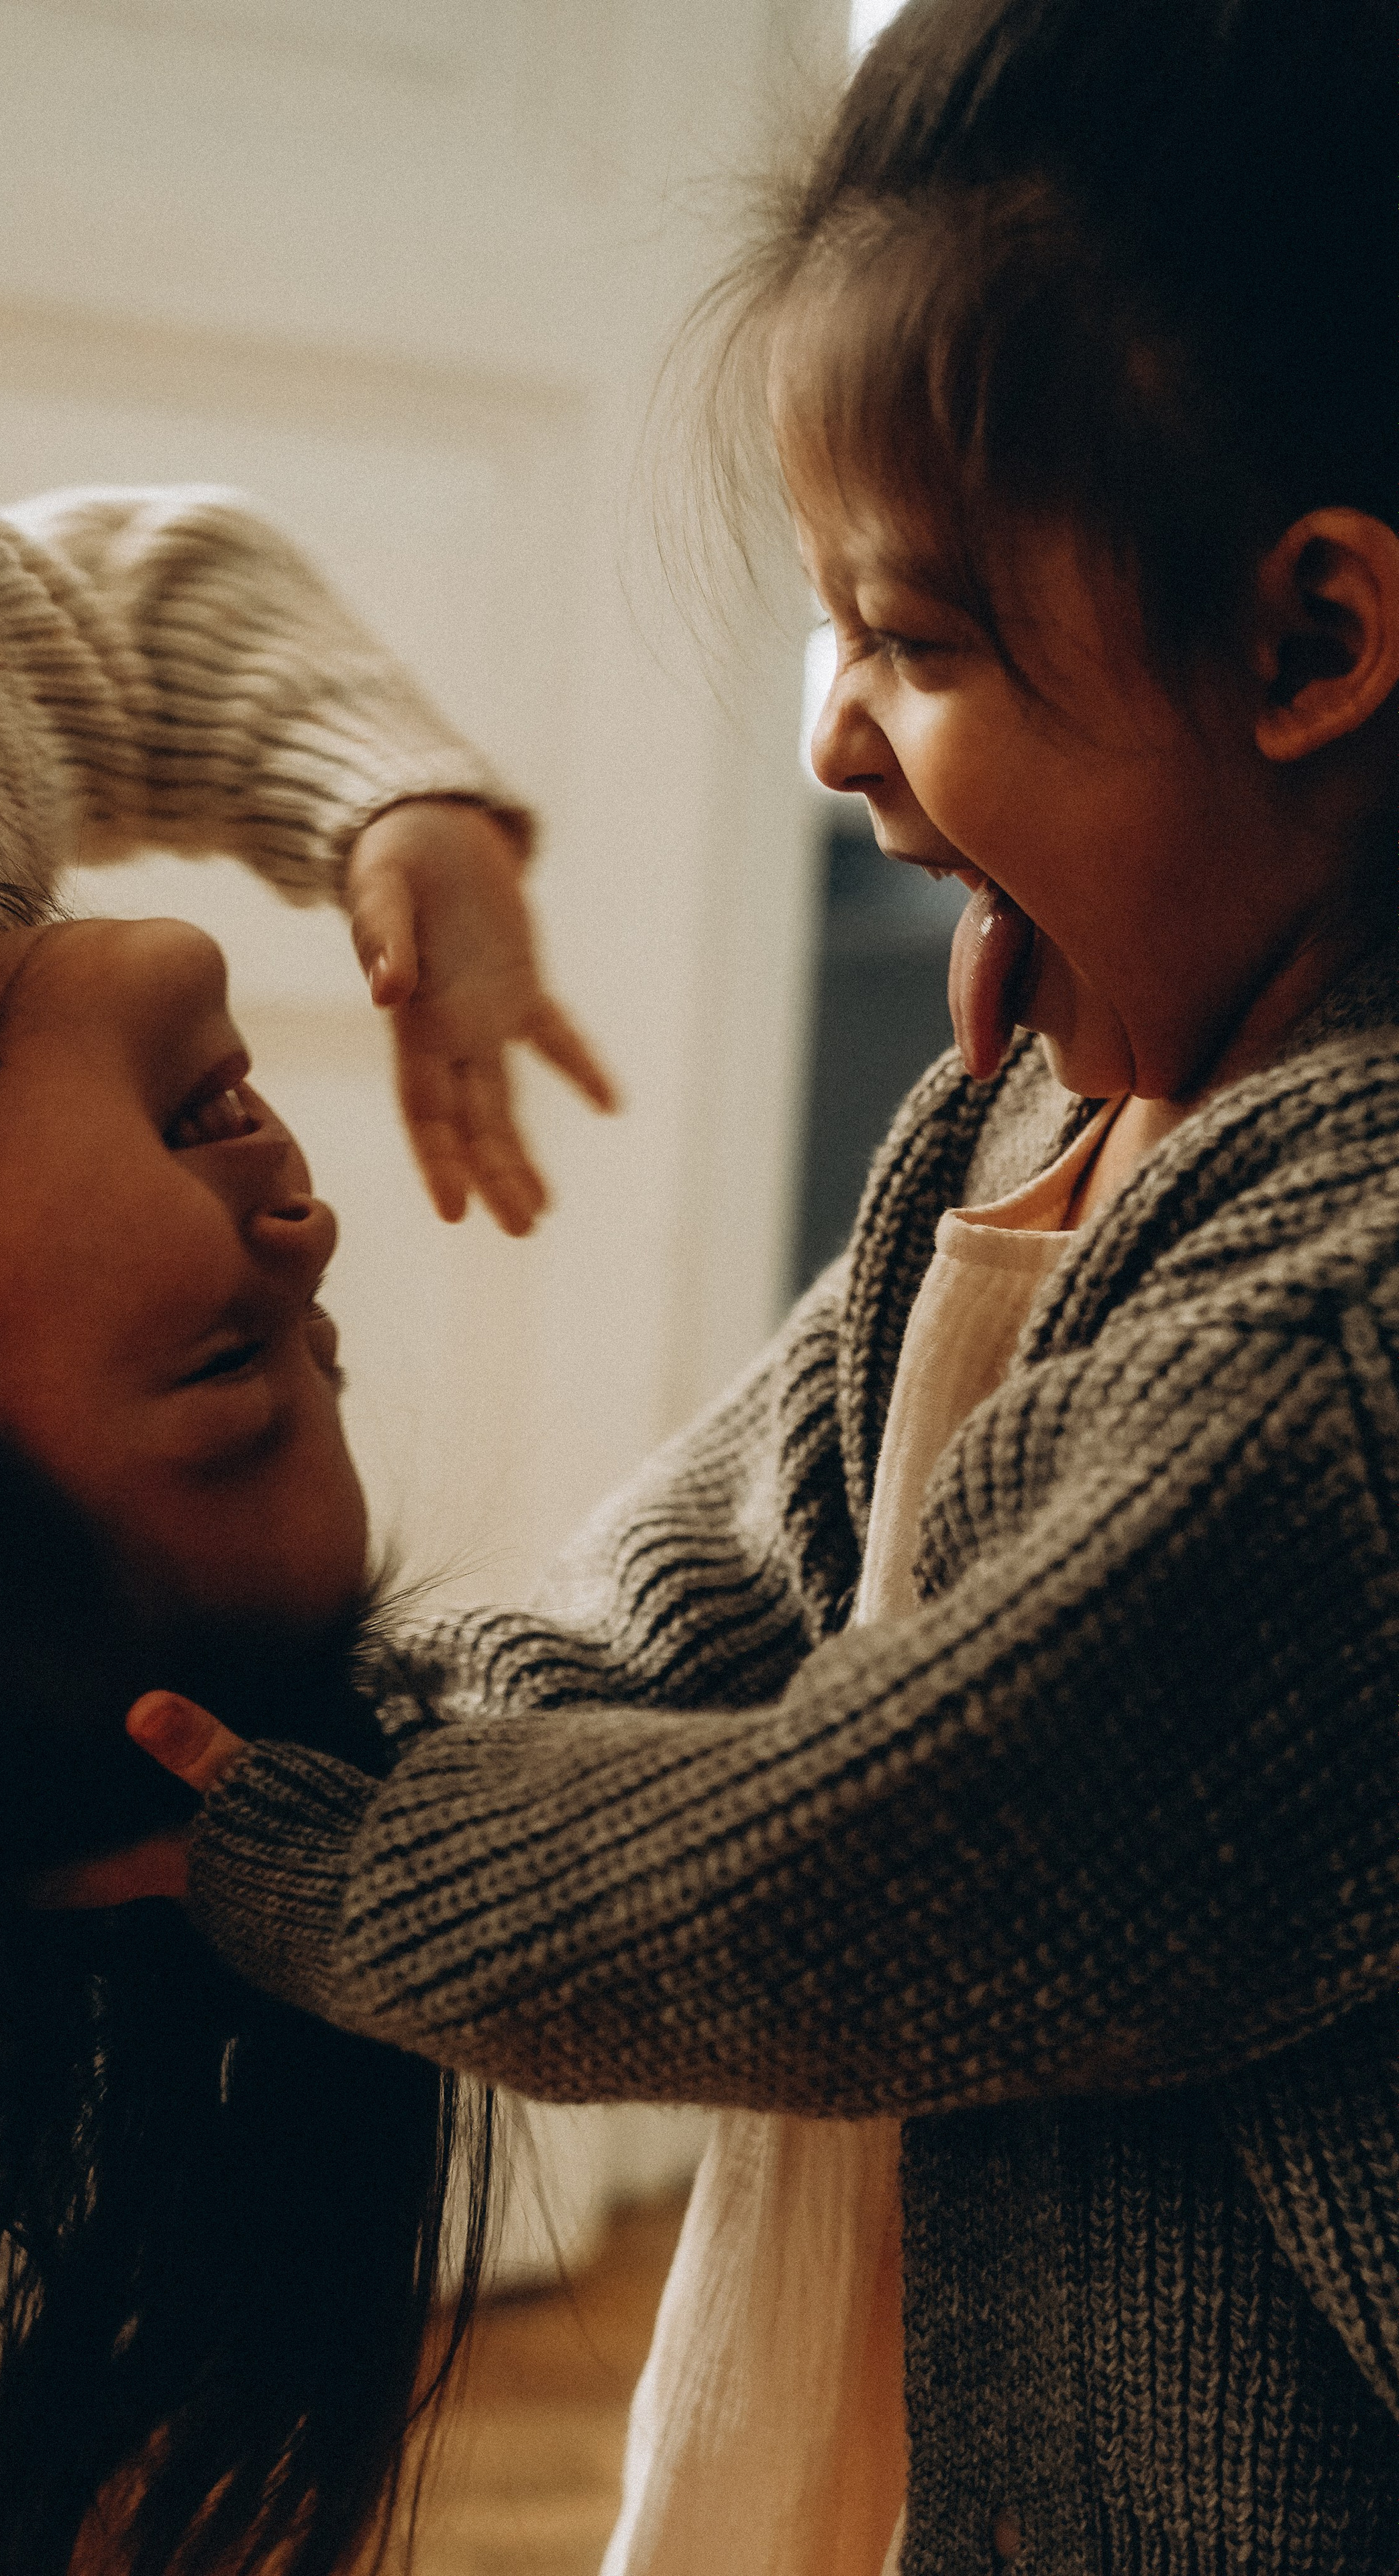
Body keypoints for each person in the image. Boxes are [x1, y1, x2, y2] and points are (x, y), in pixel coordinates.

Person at [86, 1, 1399, 2567]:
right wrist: (388, 1721)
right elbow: (774, 1535)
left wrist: (349, 1870)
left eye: (918, 642)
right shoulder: (1054, 1107)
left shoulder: (1340, 1343)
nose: (830, 737)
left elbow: (896, 1853)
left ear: (1306, 645)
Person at [0, 141, 612, 2576]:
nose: (302, 1227)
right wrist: (394, 801)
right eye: (318, 1328)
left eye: (225, 1358)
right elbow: (114, 614)